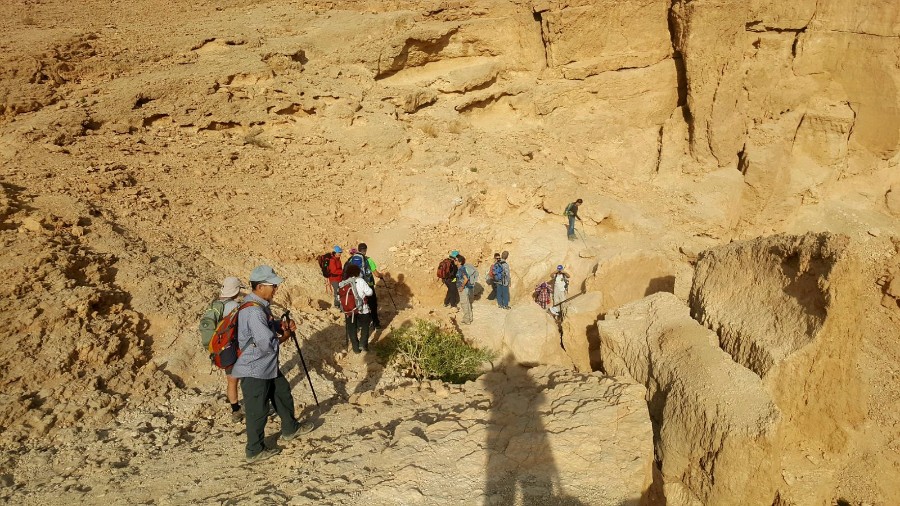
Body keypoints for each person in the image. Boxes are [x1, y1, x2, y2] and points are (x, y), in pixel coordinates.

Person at [231, 265, 314, 464]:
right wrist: (284, 336)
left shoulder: (259, 305)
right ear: (260, 287)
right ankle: (254, 450)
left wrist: (280, 325)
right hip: (255, 368)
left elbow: (266, 327)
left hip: (266, 366)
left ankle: (290, 428)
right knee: (257, 410)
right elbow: (265, 344)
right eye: (273, 285)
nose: (276, 289)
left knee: (282, 392)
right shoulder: (254, 311)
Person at [218, 276, 246, 423]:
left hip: (222, 348)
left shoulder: (215, 305)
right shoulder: (234, 306)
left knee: (231, 381)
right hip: (235, 347)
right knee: (247, 378)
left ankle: (235, 410)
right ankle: (250, 406)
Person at [344, 243, 385, 328]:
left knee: (358, 303)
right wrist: (382, 275)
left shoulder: (351, 259)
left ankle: (359, 324)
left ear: (358, 249)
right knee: (372, 304)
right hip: (368, 285)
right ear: (365, 250)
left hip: (355, 285)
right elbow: (376, 274)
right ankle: (375, 323)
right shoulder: (368, 260)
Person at [339, 264, 375, 353]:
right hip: (363, 308)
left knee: (352, 328)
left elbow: (339, 297)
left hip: (349, 310)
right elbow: (370, 292)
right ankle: (363, 344)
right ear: (357, 272)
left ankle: (355, 348)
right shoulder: (360, 281)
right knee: (365, 326)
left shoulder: (343, 283)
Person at [455, 254, 474, 325]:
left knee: (464, 304)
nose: (454, 261)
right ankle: (469, 317)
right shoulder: (462, 268)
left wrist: (462, 287)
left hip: (463, 289)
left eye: (456, 260)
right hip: (465, 288)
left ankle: (467, 320)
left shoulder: (461, 269)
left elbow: (466, 279)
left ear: (459, 262)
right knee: (467, 303)